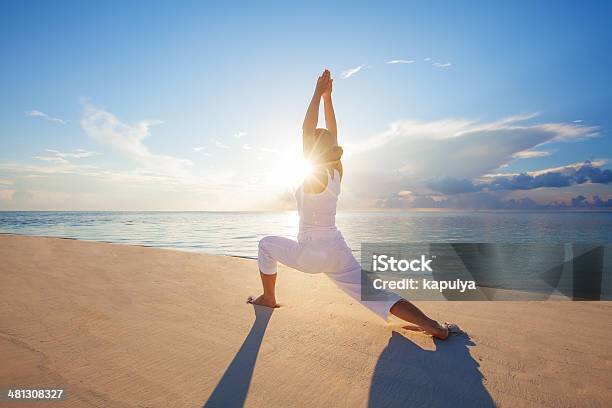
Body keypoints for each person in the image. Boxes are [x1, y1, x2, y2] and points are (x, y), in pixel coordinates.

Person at [249, 69, 453, 340]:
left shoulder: (316, 173)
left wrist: (316, 93)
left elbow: (306, 130)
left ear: (313, 151)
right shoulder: (335, 173)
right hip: (337, 247)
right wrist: (328, 98)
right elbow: (332, 133)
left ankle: (268, 298)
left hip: (311, 250)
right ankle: (434, 327)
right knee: (375, 294)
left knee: (265, 245)